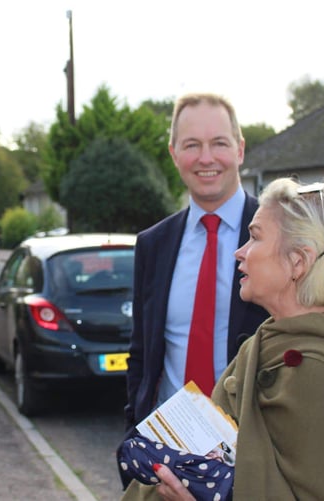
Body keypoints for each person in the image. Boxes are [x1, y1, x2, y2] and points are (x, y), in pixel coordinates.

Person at [153, 177, 324, 500]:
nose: (240, 252)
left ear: (298, 261)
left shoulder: (319, 372)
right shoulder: (269, 341)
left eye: (254, 238)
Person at [123, 93, 269, 459]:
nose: (206, 158)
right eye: (192, 145)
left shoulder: (278, 237)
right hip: (170, 452)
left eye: (218, 143)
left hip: (255, 452)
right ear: (174, 154)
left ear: (240, 149)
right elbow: (141, 353)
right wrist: (132, 430)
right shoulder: (152, 245)